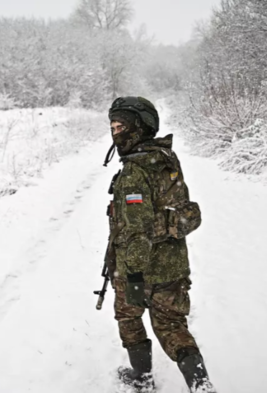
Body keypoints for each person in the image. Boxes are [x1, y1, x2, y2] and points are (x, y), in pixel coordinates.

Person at [103, 96, 213, 392]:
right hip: (173, 267)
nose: (116, 133)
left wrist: (134, 275)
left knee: (128, 318)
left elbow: (137, 230)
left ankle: (142, 378)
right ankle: (201, 384)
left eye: (121, 126)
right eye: (113, 127)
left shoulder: (134, 171)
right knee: (173, 327)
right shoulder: (166, 158)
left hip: (138, 269)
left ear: (140, 126)